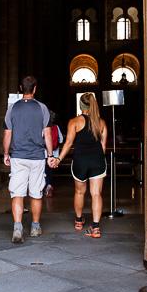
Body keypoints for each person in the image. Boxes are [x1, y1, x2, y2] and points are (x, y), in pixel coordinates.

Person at [48, 92, 107, 238]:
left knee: (80, 192)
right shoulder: (101, 123)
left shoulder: (74, 122)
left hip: (80, 161)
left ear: (81, 105)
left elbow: (68, 144)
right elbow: (103, 147)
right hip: (97, 161)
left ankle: (79, 221)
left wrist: (58, 159)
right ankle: (96, 228)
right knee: (96, 194)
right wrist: (97, 158)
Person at [4, 75, 53, 244]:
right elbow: (47, 134)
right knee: (36, 194)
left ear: (20, 88)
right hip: (37, 157)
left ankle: (18, 228)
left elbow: (7, 133)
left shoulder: (13, 108)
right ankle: (35, 227)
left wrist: (6, 153)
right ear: (35, 89)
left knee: (17, 193)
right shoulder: (42, 108)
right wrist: (51, 155)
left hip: (18, 156)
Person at [43, 110, 63, 197]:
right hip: (54, 154)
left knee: (44, 171)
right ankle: (49, 185)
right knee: (50, 171)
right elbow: (61, 139)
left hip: (44, 153)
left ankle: (45, 187)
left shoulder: (42, 127)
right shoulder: (56, 127)